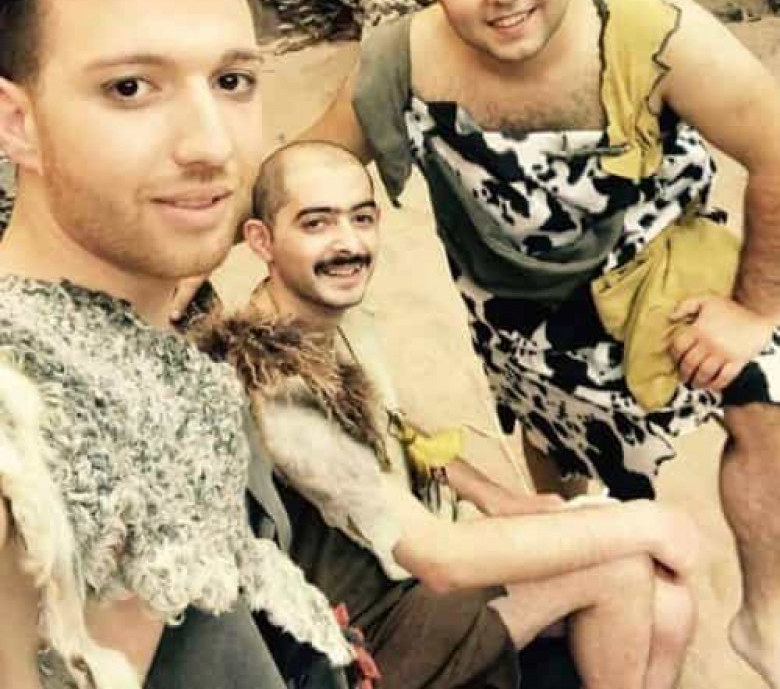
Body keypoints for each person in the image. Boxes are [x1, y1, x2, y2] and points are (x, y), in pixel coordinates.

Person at [302, 0, 780, 687]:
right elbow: (309, 164)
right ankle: (600, 633)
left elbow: (775, 141)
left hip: (662, 279)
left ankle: (767, 614)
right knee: (574, 515)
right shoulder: (404, 61)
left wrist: (754, 310)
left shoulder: (647, 24)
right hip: (522, 327)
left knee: (769, 392)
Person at [0, 0, 353, 689]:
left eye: (232, 79)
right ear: (15, 123)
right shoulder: (20, 414)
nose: (209, 144)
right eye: (131, 88)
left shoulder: (160, 357)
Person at [216, 137, 700, 689]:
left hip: (405, 586)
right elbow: (440, 559)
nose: (348, 243)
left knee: (670, 603)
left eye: (361, 217)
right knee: (621, 567)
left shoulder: (322, 319)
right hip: (360, 641)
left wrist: (500, 500)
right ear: (262, 240)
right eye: (317, 223)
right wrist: (641, 522)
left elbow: (390, 427)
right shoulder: (280, 391)